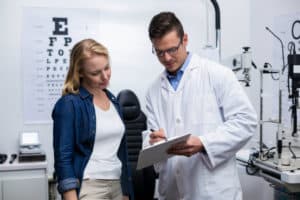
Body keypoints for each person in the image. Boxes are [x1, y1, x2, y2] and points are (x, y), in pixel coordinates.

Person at [142, 12, 257, 200]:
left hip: (213, 191)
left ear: (185, 39)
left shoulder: (218, 74)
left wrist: (204, 143)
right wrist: (154, 142)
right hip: (171, 190)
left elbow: (246, 121)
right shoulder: (153, 91)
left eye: (172, 49)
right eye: (160, 52)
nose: (167, 58)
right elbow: (152, 136)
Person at [52, 39, 134, 200]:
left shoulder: (113, 101)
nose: (104, 77)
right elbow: (63, 159)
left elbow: (121, 152)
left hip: (117, 184)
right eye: (95, 73)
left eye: (107, 68)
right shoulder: (69, 104)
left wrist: (126, 192)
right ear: (80, 72)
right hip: (90, 188)